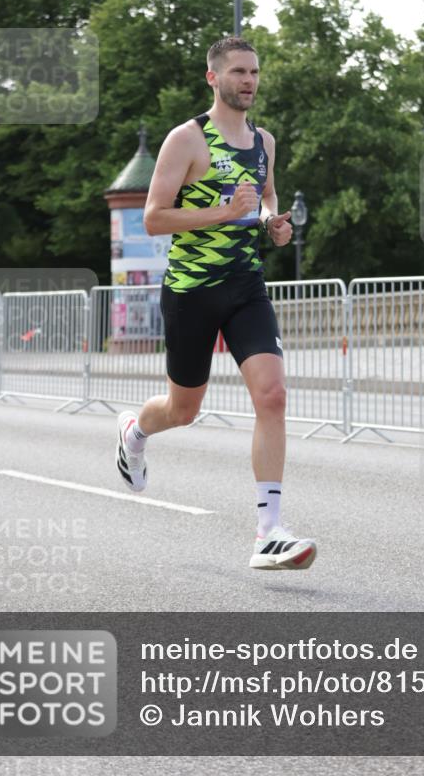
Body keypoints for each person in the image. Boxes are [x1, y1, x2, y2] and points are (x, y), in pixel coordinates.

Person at [114, 36, 317, 571]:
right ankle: (135, 433)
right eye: (238, 72)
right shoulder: (186, 140)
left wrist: (273, 223)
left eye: (254, 72)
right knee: (183, 410)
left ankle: (268, 532)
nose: (248, 80)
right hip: (191, 291)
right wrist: (225, 213)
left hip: (246, 286)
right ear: (213, 78)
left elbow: (267, 193)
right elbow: (155, 217)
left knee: (272, 395)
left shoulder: (263, 142)